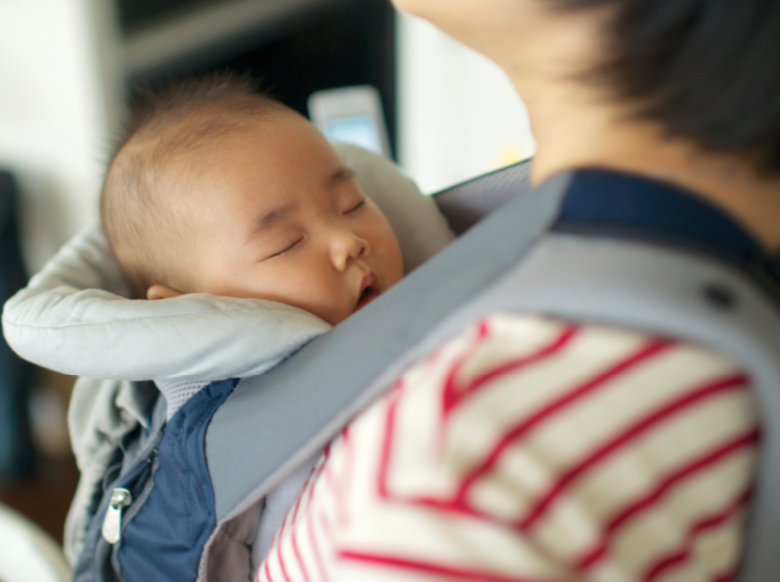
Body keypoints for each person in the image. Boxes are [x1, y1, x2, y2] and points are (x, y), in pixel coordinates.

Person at [3, 1, 780, 581]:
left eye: (351, 203)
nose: (349, 240)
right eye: (282, 242)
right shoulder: (556, 234)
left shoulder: (467, 467)